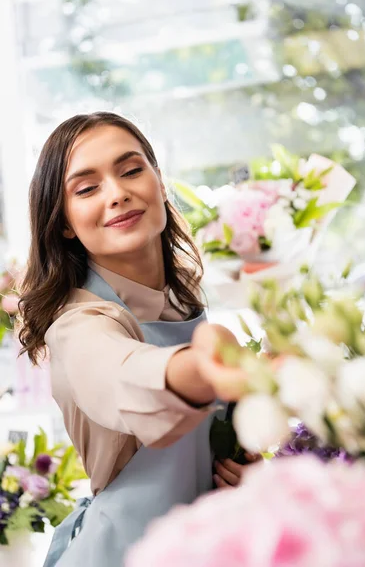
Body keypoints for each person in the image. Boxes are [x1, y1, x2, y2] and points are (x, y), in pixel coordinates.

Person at [18, 112, 253, 567]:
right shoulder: (79, 323)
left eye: (131, 171)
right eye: (87, 189)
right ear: (64, 222)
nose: (118, 193)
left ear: (160, 183)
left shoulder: (184, 299)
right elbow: (123, 374)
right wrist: (204, 366)